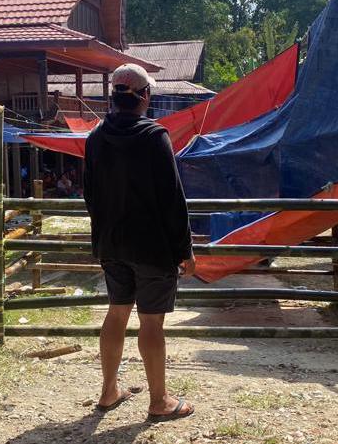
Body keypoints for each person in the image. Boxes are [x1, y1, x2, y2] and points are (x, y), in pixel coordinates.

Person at [84, 63, 196, 422]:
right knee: (151, 323)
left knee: (117, 312)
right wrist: (185, 249)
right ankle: (159, 400)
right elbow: (172, 199)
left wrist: (102, 238)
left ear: (113, 96)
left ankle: (108, 390)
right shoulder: (154, 137)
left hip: (112, 245)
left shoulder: (95, 137)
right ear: (145, 96)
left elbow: (90, 196)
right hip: (151, 247)